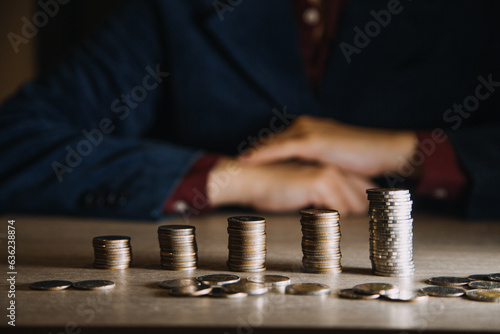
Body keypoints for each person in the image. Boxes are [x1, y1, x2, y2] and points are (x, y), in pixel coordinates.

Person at [0, 0, 499, 220]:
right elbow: (15, 143)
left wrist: (407, 151)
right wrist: (231, 178)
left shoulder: (475, 13)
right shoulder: (170, 10)